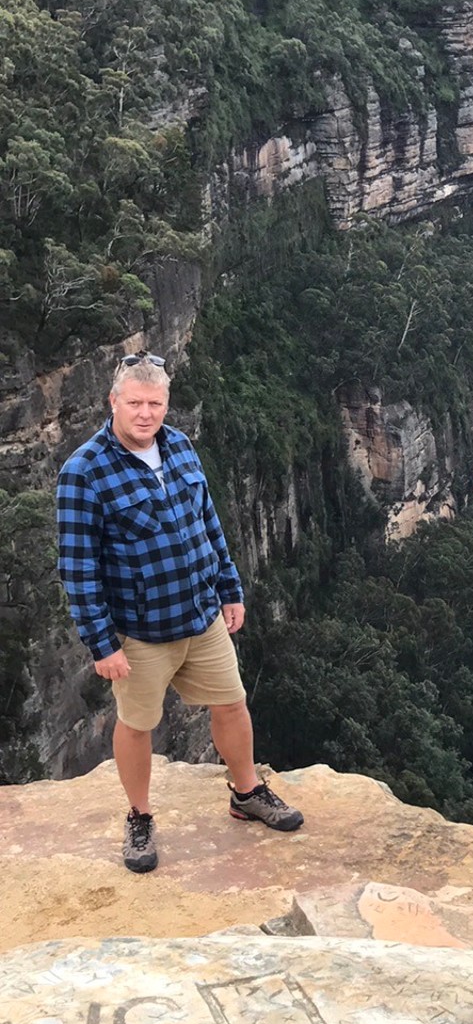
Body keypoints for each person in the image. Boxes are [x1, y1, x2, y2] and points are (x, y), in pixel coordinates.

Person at [56, 351, 303, 873]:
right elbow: (78, 566)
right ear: (113, 403)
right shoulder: (84, 471)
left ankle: (246, 792)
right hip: (140, 631)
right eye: (136, 403)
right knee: (137, 723)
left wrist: (230, 587)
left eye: (156, 403)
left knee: (232, 702)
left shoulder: (181, 448)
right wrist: (102, 643)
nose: (146, 414)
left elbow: (207, 523)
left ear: (166, 404)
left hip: (201, 614)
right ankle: (140, 817)